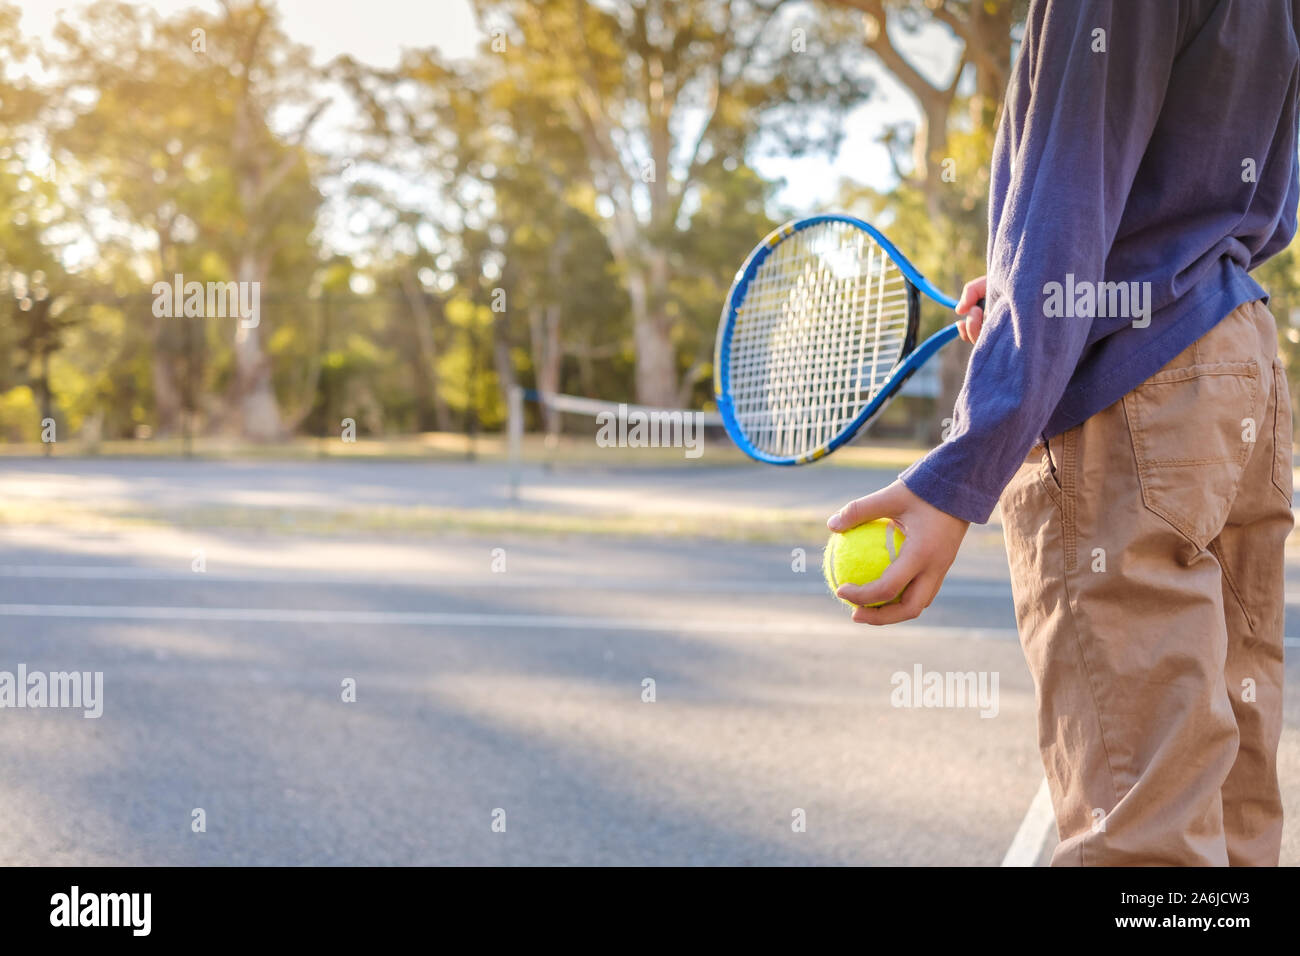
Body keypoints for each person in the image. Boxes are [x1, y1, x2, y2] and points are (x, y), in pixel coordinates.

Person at [827, 0, 1300, 866]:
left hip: (1136, 376)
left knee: (1142, 829)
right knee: (1231, 795)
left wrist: (961, 472)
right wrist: (1027, 287)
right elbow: (1202, 194)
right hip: (1236, 357)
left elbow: (1073, 192)